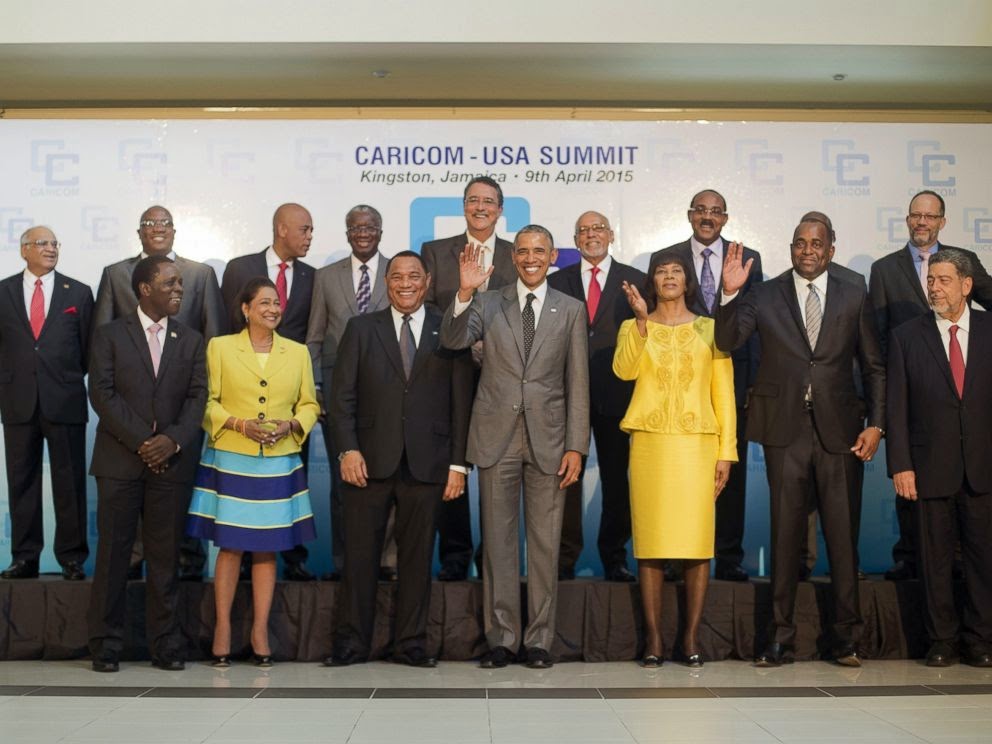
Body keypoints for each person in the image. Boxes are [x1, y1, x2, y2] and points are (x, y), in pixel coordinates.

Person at [715, 217, 885, 667]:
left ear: (831, 249)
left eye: (816, 243)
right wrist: (729, 294)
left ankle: (846, 639)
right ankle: (779, 638)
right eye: (800, 243)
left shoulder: (854, 292)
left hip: (841, 430)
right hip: (783, 430)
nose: (807, 250)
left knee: (842, 537)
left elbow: (873, 365)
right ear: (790, 247)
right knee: (785, 535)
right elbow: (727, 339)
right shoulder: (763, 293)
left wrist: (877, 424)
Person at [441, 224, 589, 670]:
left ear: (552, 256)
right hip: (495, 438)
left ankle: (539, 640)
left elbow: (577, 382)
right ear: (512, 256)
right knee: (499, 543)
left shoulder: (571, 309)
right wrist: (464, 292)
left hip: (550, 439)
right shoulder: (487, 301)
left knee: (544, 545)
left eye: (538, 251)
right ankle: (502, 639)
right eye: (522, 251)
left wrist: (576, 445)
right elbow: (452, 339)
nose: (529, 258)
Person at [327, 251, 473, 667]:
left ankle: (411, 645)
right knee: (359, 559)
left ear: (427, 282)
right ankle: (351, 644)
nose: (405, 283)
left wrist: (458, 465)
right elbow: (341, 397)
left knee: (417, 559)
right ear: (386, 283)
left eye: (413, 276)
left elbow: (461, 402)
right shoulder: (360, 328)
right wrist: (347, 449)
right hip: (367, 462)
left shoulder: (450, 329)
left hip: (429, 463)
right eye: (396, 277)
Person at [186, 277, 320, 667]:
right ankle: (223, 629)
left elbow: (309, 405)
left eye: (276, 302)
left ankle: (260, 632)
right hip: (232, 457)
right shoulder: (220, 347)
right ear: (245, 309)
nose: (273, 309)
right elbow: (206, 402)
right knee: (230, 547)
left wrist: (291, 425)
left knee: (267, 547)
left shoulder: (298, 352)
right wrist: (239, 424)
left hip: (278, 460)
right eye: (264, 302)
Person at [614, 248, 736, 667]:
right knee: (650, 543)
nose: (668, 276)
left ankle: (690, 638)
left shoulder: (711, 329)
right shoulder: (634, 325)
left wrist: (726, 452)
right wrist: (641, 322)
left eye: (676, 271)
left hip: (698, 447)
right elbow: (624, 371)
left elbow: (724, 395)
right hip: (650, 445)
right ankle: (653, 640)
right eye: (661, 271)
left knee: (696, 543)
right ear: (653, 282)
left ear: (687, 282)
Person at [93, 205, 228, 582]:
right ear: (139, 231)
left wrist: (175, 434)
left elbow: (214, 343)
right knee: (120, 542)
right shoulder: (115, 274)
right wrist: (143, 437)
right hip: (126, 428)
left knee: (178, 517)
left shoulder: (200, 274)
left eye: (165, 222)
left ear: (175, 230)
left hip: (181, 421)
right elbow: (100, 354)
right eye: (150, 223)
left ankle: (189, 559)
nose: (158, 228)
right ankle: (134, 560)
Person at [87, 256, 207, 672]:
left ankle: (167, 646)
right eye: (170, 283)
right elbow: (101, 393)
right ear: (144, 289)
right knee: (113, 557)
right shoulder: (109, 335)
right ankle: (105, 646)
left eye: (180, 283)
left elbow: (198, 398)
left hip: (171, 465)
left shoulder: (191, 339)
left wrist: (171, 441)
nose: (179, 289)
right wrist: (144, 442)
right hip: (119, 462)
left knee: (165, 559)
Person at [869, 191, 992, 582]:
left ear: (942, 221)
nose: (921, 222)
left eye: (929, 216)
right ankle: (909, 558)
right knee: (912, 490)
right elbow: (877, 339)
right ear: (908, 219)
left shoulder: (964, 260)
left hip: (961, 391)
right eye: (915, 215)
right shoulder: (884, 269)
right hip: (913, 389)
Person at [886, 248, 992, 668]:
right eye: (931, 280)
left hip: (983, 467)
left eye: (944, 280)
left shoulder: (989, 329)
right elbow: (896, 407)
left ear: (967, 285)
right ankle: (942, 640)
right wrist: (901, 465)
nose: (935, 288)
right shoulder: (906, 336)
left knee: (984, 560)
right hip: (929, 468)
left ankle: (980, 640)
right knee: (934, 561)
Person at [653, 189, 762, 583]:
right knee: (676, 475)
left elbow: (755, 324)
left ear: (725, 218)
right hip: (679, 386)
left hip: (732, 379)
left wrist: (752, 383)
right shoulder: (666, 258)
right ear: (689, 214)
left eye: (715, 211)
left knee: (728, 471)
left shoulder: (747, 257)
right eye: (701, 210)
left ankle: (729, 557)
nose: (707, 216)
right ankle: (673, 556)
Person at [422, 176, 518, 581]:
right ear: (464, 206)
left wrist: (489, 345)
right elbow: (426, 309)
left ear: (500, 210)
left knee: (500, 469)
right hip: (450, 371)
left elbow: (526, 310)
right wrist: (464, 341)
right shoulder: (435, 252)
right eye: (473, 200)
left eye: (488, 201)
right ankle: (456, 556)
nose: (481, 207)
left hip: (505, 377)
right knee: (453, 465)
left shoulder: (517, 254)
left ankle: (493, 556)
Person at [220, 203, 316, 581]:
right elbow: (225, 328)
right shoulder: (239, 268)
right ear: (281, 229)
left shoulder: (313, 276)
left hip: (289, 403)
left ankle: (293, 557)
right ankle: (243, 554)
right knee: (244, 485)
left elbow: (314, 334)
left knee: (290, 481)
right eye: (304, 229)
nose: (310, 237)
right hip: (241, 397)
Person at [548, 210, 644, 582]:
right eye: (584, 230)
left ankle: (615, 558)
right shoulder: (556, 282)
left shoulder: (635, 281)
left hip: (616, 395)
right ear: (575, 240)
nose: (592, 234)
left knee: (617, 481)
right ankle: (563, 559)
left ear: (611, 235)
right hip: (564, 395)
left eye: (598, 228)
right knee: (565, 480)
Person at [305, 205, 396, 582]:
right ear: (346, 233)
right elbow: (314, 336)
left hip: (388, 394)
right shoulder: (325, 277)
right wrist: (316, 388)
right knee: (344, 483)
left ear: (380, 231)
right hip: (336, 395)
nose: (363, 233)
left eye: (370, 227)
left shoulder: (398, 271)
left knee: (387, 479)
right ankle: (346, 564)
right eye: (355, 228)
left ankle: (387, 562)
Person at [0, 226, 92, 581]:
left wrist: (61, 377)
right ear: (24, 250)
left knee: (70, 483)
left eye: (55, 243)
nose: (50, 248)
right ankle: (25, 558)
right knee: (21, 482)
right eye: (42, 243)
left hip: (64, 399)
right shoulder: (4, 291)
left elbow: (87, 351)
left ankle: (72, 558)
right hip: (18, 400)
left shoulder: (78, 292)